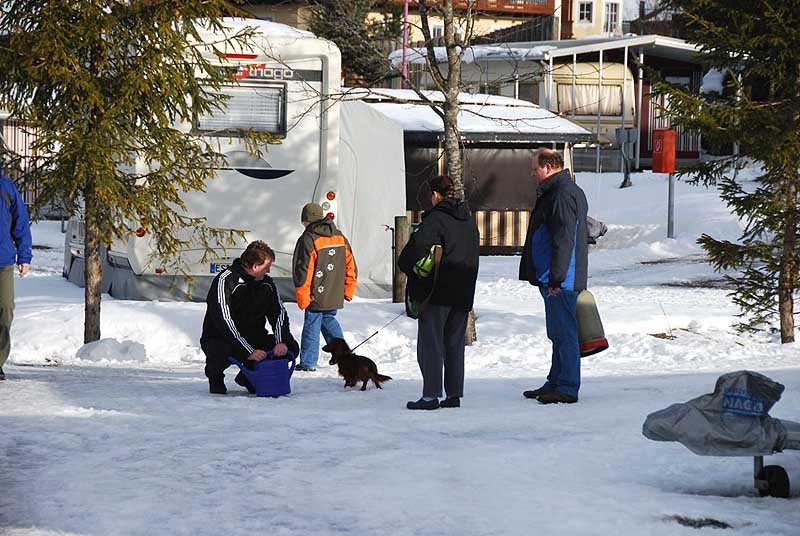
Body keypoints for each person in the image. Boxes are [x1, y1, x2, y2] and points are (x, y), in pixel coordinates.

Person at [399, 175, 480, 410]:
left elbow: (412, 252)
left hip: (437, 291)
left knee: (431, 344)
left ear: (435, 195)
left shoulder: (436, 220)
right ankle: (453, 394)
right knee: (454, 344)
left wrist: (407, 268)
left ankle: (430, 396)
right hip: (464, 292)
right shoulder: (468, 220)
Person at [520, 149, 589, 404]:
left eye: (534, 168)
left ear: (548, 167)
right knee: (558, 333)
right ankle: (556, 381)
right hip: (554, 276)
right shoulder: (559, 191)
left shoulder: (561, 194)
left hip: (560, 279)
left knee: (565, 333)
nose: (532, 173)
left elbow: (564, 239)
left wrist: (557, 279)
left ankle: (568, 387)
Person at [200, 240, 299, 394]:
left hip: (254, 337)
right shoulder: (225, 280)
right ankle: (215, 377)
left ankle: (249, 376)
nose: (268, 271)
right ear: (254, 266)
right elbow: (224, 322)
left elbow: (278, 314)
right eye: (266, 267)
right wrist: (248, 351)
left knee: (291, 346)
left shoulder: (267, 284)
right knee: (219, 349)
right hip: (223, 338)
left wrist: (282, 341)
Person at [292, 202, 357, 372]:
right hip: (334, 291)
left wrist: (303, 295)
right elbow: (351, 264)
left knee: (312, 322)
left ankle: (308, 362)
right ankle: (343, 354)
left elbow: (303, 270)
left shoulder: (308, 238)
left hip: (316, 292)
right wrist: (348, 288)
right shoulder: (339, 236)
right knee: (328, 319)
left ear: (306, 220)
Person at [0, 173, 32, 381]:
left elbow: (20, 221)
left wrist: (25, 255)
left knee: (6, 309)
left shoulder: (6, 186)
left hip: (3, 261)